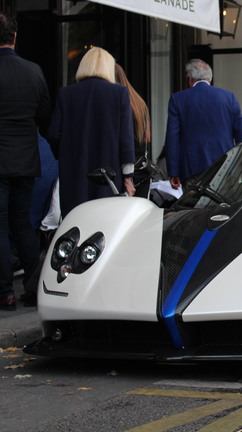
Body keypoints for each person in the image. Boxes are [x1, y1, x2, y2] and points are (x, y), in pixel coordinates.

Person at [48, 47, 136, 217]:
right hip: (108, 176)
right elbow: (125, 138)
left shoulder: (66, 94)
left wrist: (66, 155)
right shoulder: (119, 93)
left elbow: (53, 134)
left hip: (74, 173)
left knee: (75, 224)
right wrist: (128, 176)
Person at [0, 12, 50, 310]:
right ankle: (33, 287)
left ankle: (5, 292)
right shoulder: (33, 71)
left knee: (1, 227)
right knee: (22, 225)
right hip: (26, 159)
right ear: (15, 38)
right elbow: (44, 116)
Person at [165, 58, 242, 190]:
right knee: (222, 208)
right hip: (224, 166)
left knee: (195, 209)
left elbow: (172, 138)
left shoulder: (178, 99)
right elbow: (241, 135)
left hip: (192, 168)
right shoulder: (229, 97)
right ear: (210, 79)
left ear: (190, 79)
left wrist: (173, 172)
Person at [115, 64, 152, 198]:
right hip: (142, 168)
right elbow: (147, 137)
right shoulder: (139, 102)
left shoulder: (118, 103)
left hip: (124, 172)